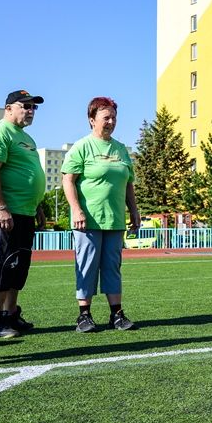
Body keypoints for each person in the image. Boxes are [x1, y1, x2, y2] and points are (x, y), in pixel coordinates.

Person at [61, 97, 141, 333]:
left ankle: (117, 314)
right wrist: (76, 209)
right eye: (106, 117)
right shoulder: (82, 147)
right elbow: (68, 180)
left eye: (114, 117)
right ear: (92, 120)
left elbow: (128, 184)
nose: (111, 122)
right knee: (86, 266)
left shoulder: (120, 150)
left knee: (112, 267)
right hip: (88, 220)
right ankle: (84, 316)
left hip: (114, 220)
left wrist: (134, 211)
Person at [0, 90, 47, 338]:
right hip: (1, 212)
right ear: (8, 108)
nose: (30, 110)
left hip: (25, 211)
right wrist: (1, 208)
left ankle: (11, 315)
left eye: (33, 107)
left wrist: (37, 206)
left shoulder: (27, 138)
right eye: (25, 105)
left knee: (17, 266)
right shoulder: (0, 132)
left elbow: (29, 174)